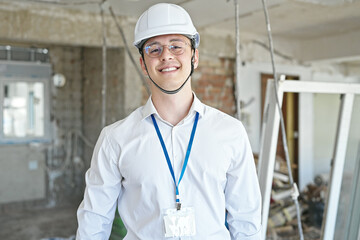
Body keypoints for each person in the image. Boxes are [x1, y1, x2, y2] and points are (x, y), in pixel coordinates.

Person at [76, 3, 262, 239]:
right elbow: (94, 221)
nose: (166, 55)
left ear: (195, 57)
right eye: (154, 49)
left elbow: (246, 221)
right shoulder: (115, 139)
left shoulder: (230, 132)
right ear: (143, 64)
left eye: (177, 46)